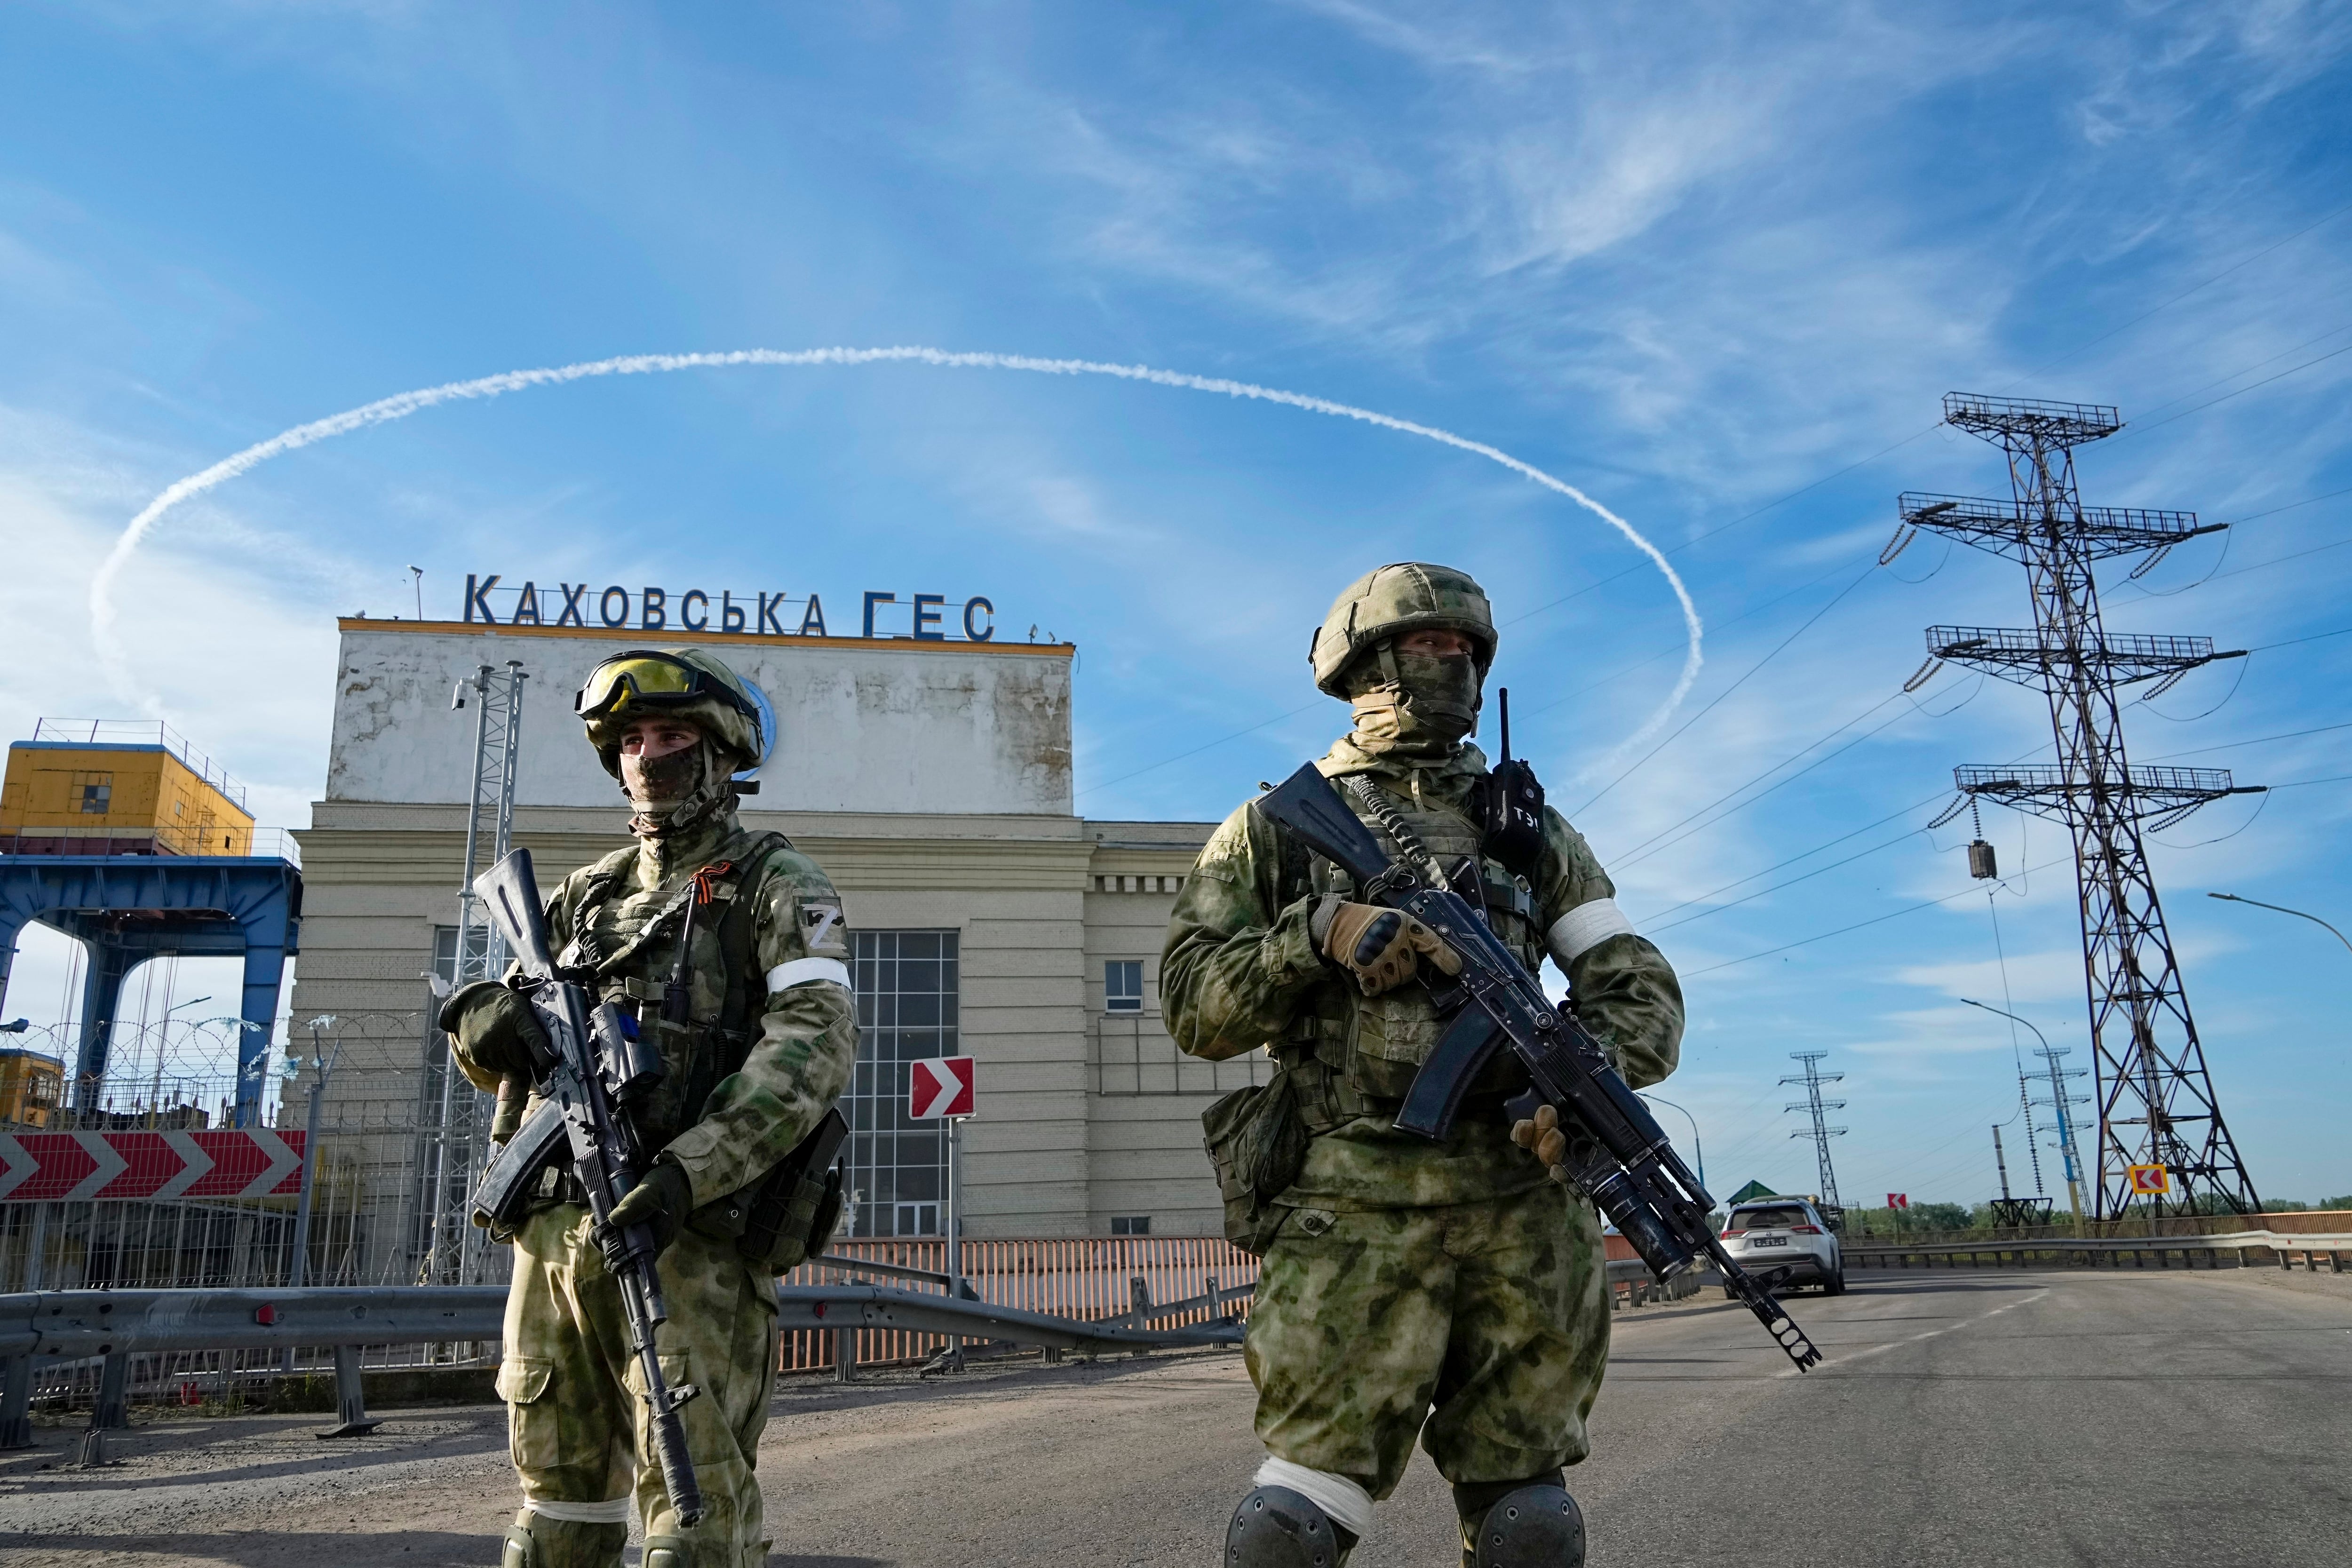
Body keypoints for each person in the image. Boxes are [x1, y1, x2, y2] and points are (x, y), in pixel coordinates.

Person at [1161, 563, 1685, 1568]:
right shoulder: (1274, 826)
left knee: (1531, 1523)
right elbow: (1192, 1004)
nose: (1454, 665)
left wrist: (1583, 1081)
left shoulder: (1528, 831)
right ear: (1368, 664)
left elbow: (1636, 984)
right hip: (1353, 1202)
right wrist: (1312, 933)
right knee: (1291, 1529)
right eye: (1430, 645)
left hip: (1519, 1204)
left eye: (1467, 651)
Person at [439, 647, 860, 1568]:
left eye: (670, 734)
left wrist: (688, 1170)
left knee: (693, 1522)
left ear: (719, 754)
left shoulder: (777, 883)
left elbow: (812, 1044)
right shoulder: (584, 896)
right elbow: (498, 1044)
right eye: (630, 738)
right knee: (554, 1520)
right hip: (555, 1232)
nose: (647, 754)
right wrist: (482, 1021)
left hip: (689, 1235)